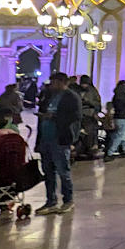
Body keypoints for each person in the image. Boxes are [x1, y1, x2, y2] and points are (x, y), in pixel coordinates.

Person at [35, 72, 80, 215]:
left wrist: (54, 117)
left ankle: (68, 200)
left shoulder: (71, 97)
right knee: (48, 171)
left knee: (63, 171)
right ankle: (51, 201)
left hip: (60, 139)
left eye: (54, 82)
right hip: (46, 138)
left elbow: (76, 116)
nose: (51, 85)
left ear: (62, 82)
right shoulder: (48, 95)